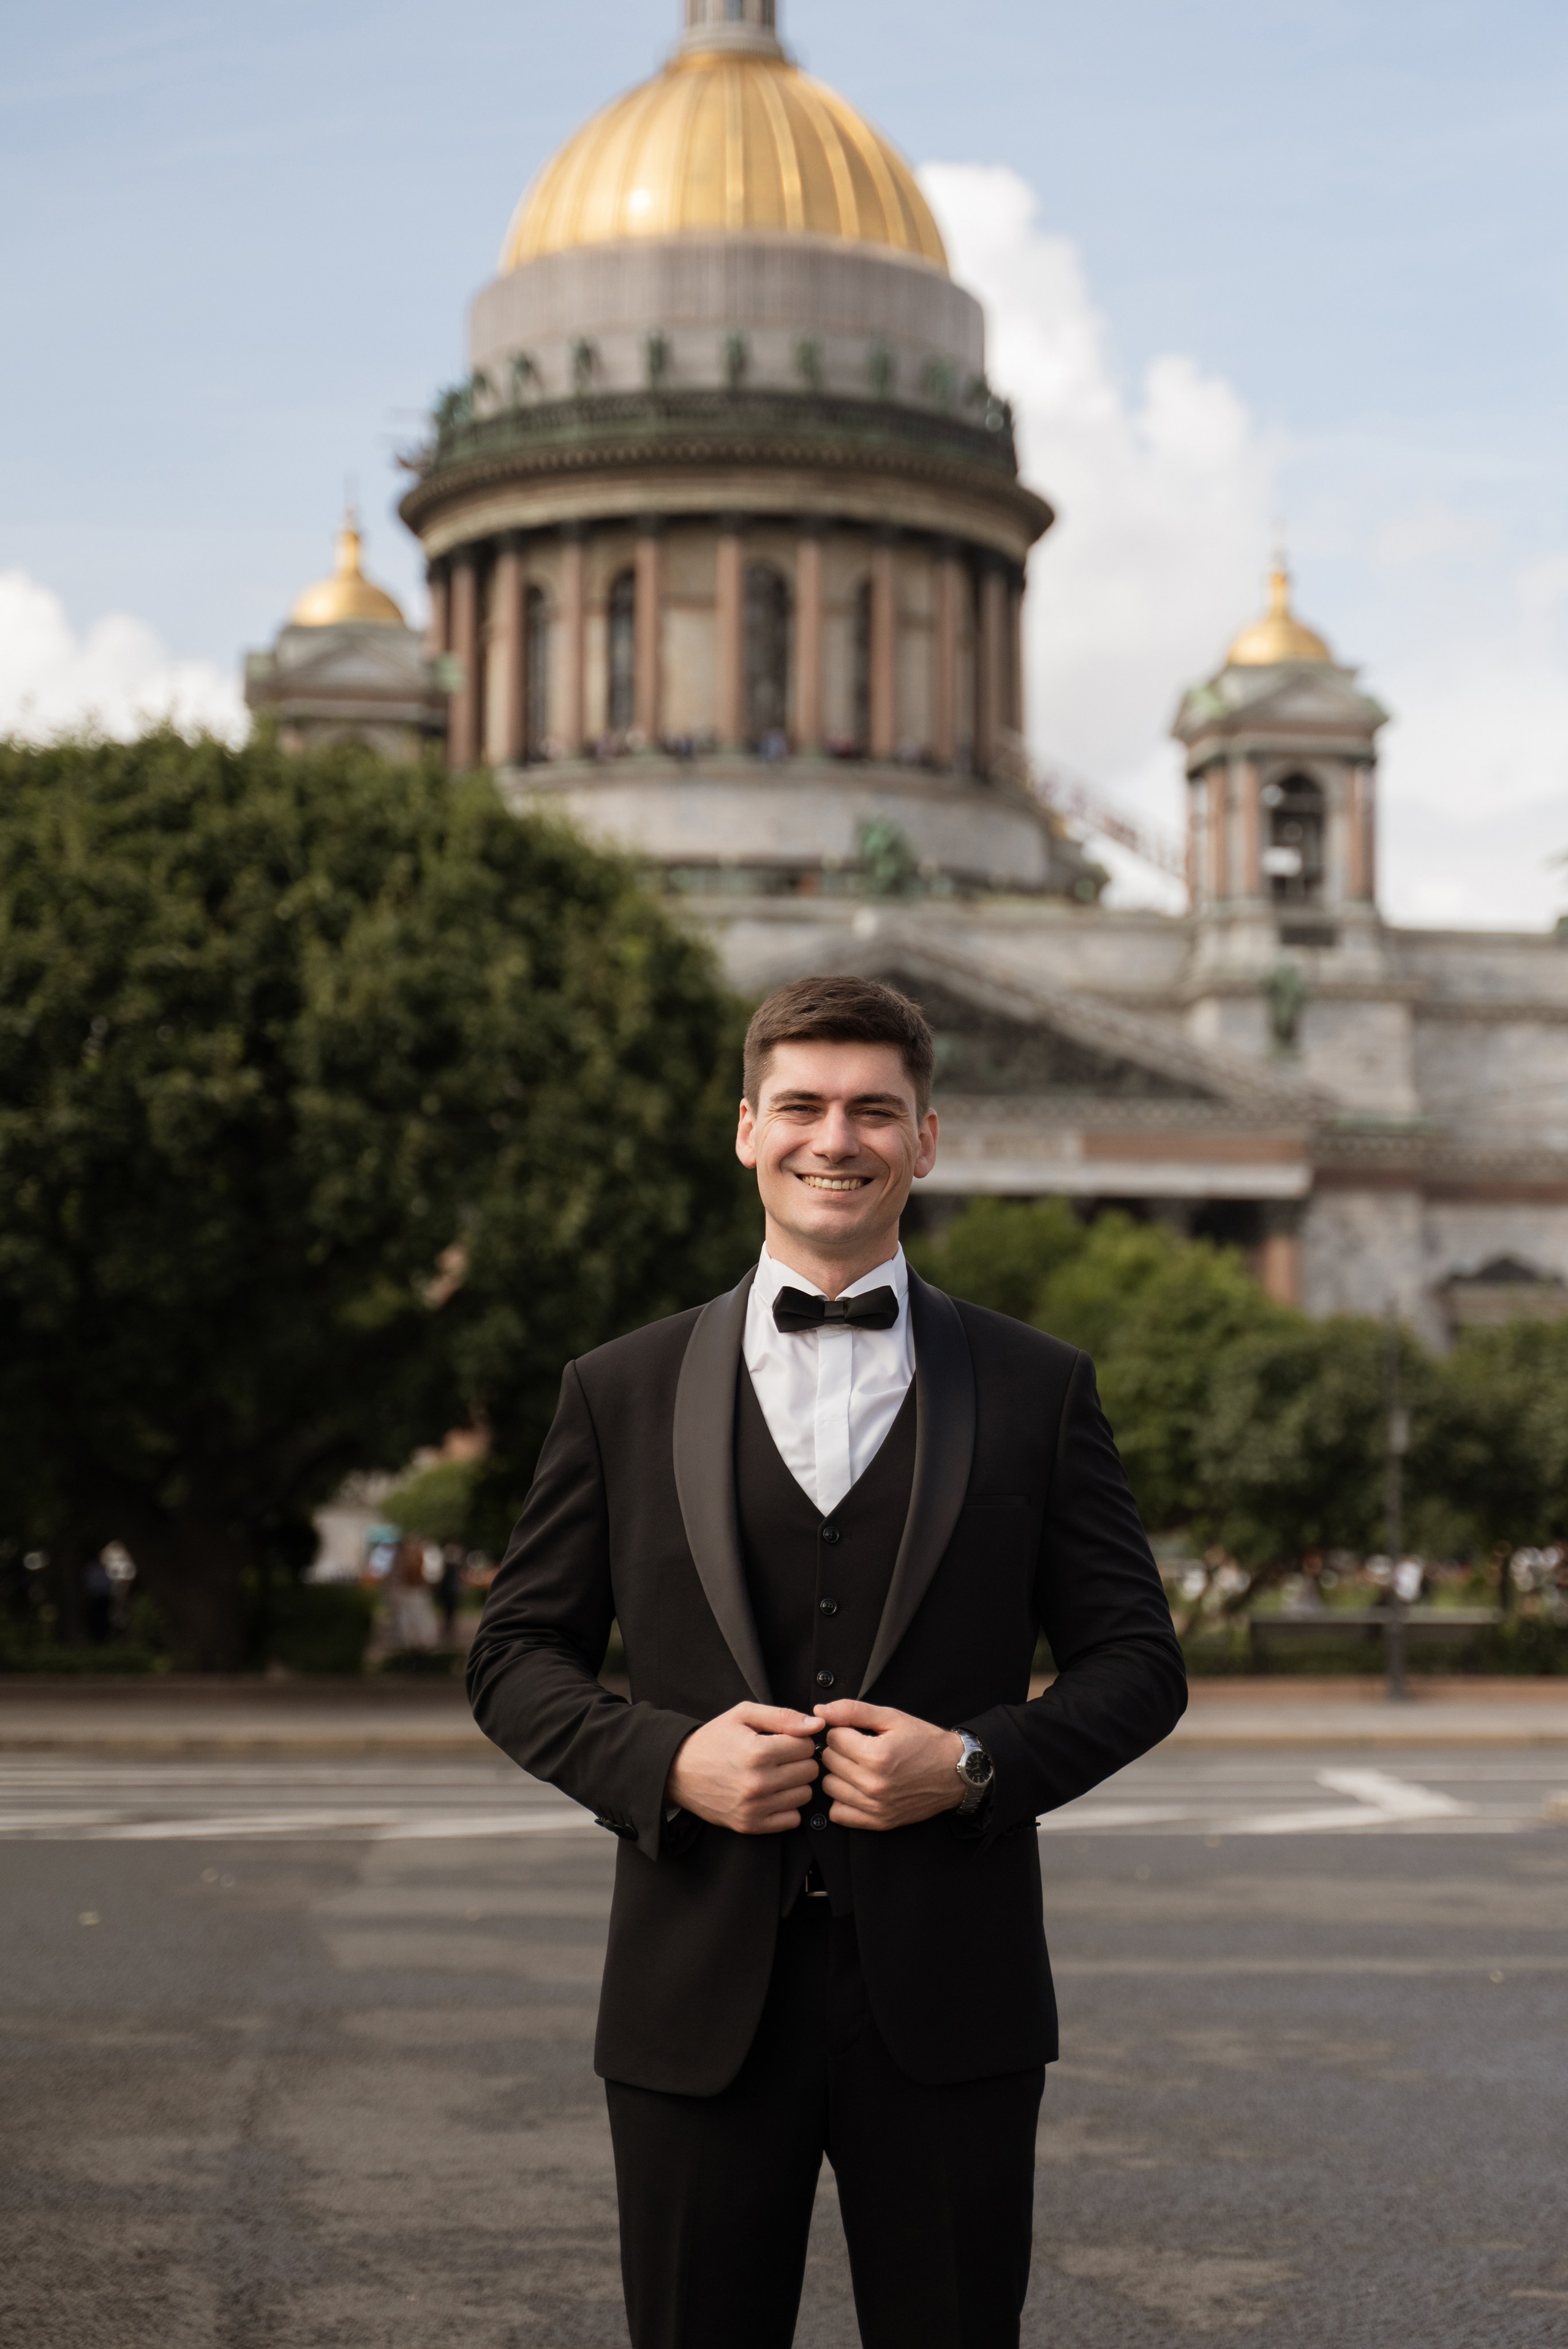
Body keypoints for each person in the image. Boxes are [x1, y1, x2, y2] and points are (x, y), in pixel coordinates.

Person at [467, 975, 1186, 2349]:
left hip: (953, 2001)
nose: (832, 1138)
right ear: (744, 1129)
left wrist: (973, 1763)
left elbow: (1136, 1663)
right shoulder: (616, 1388)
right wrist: (666, 1758)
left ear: (927, 1139)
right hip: (691, 2002)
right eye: (799, 1105)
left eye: (873, 1110)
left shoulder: (1039, 1386)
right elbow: (514, 1653)